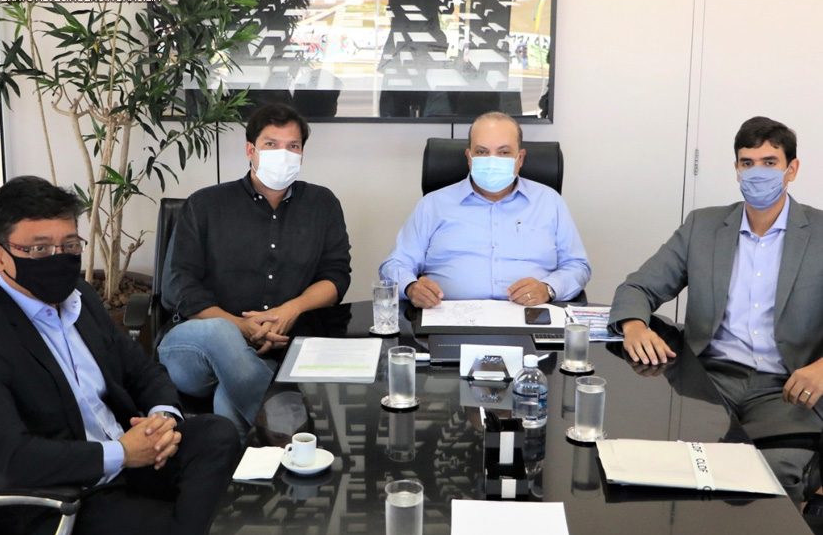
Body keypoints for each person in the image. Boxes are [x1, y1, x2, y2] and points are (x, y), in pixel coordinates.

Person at [0, 176, 240, 535]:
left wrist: (162, 421)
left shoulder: (80, 297)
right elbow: (11, 459)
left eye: (69, 245)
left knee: (218, 435)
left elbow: (142, 371)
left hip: (131, 459)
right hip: (64, 495)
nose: (59, 258)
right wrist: (122, 453)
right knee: (189, 522)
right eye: (40, 249)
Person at [609, 116, 823, 502]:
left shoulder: (819, 233)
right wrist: (634, 326)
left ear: (792, 169)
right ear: (736, 169)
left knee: (772, 480)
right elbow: (638, 287)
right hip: (707, 380)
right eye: (747, 163)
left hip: (785, 388)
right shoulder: (703, 226)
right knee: (667, 468)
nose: (757, 173)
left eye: (770, 163)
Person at [158, 103, 351, 439]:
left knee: (229, 396)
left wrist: (290, 310)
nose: (283, 154)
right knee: (221, 334)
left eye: (292, 146)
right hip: (194, 348)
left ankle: (246, 467)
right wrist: (242, 327)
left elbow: (336, 277)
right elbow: (178, 286)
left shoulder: (322, 204)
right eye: (271, 144)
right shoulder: (205, 204)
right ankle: (297, 439)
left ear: (302, 153)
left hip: (272, 351)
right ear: (251, 150)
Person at [380, 111, 590, 308]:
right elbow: (395, 263)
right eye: (482, 152)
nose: (492, 161)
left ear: (520, 159)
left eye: (504, 152)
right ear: (469, 158)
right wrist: (411, 287)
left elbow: (577, 265)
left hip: (529, 318)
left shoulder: (549, 202)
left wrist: (548, 289)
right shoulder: (433, 205)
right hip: (448, 318)